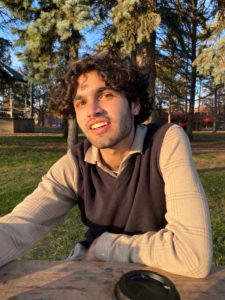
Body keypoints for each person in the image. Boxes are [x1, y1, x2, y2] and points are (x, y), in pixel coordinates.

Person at [0, 50, 212, 278]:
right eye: (81, 103)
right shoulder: (75, 164)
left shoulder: (165, 141)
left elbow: (192, 253)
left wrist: (105, 246)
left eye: (106, 95)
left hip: (156, 274)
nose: (92, 111)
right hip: (90, 270)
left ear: (134, 105)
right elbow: (18, 227)